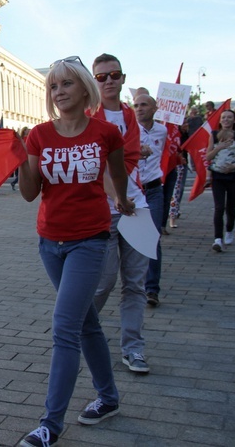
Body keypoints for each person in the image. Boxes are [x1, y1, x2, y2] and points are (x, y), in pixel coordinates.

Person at [17, 56, 134, 447]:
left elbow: (117, 175)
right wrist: (20, 161)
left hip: (90, 239)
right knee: (87, 324)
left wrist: (124, 199)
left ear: (86, 88)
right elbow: (32, 193)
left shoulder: (105, 134)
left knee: (65, 327)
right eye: (53, 86)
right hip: (50, 242)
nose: (59, 91)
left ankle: (51, 424)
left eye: (67, 84)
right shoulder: (38, 136)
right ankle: (109, 398)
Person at [90, 53, 153, 373]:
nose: (109, 81)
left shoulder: (130, 116)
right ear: (94, 81)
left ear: (123, 78)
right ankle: (81, 332)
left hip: (137, 208)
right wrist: (117, 198)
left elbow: (126, 159)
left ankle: (134, 349)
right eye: (101, 77)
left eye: (114, 75)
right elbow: (96, 166)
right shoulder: (90, 117)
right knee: (103, 282)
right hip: (106, 210)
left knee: (136, 284)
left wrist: (128, 200)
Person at [134, 94, 167, 307]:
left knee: (152, 237)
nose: (139, 109)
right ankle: (132, 281)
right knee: (132, 240)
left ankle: (152, 289)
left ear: (155, 108)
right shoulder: (129, 129)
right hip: (133, 190)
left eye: (144, 105)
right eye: (136, 105)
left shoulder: (162, 131)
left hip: (153, 189)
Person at [205, 109, 235, 251]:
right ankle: (218, 239)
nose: (226, 120)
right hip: (218, 175)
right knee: (219, 207)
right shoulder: (213, 135)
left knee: (231, 207)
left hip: (233, 175)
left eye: (229, 118)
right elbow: (208, 157)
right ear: (220, 120)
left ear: (234, 120)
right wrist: (218, 147)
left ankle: (229, 230)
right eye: (223, 117)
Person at [168, 118, 190, 228]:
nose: (187, 125)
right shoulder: (174, 134)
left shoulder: (186, 134)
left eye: (187, 123)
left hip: (182, 165)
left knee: (178, 191)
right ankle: (172, 217)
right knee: (175, 192)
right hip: (174, 164)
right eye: (184, 123)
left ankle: (174, 213)